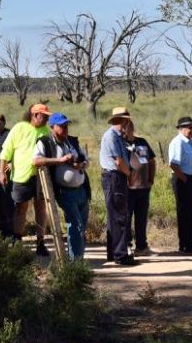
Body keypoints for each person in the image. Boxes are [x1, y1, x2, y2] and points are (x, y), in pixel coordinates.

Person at [32, 113, 91, 259]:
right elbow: (36, 161)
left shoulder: (72, 141)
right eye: (61, 126)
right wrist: (60, 160)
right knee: (76, 225)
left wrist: (80, 164)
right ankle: (75, 262)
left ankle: (77, 258)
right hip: (64, 191)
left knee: (82, 226)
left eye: (66, 126)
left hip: (81, 189)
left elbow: (86, 160)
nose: (65, 129)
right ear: (52, 127)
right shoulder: (45, 142)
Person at [0, 103, 53, 255]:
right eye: (44, 116)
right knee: (20, 208)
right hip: (21, 176)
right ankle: (17, 241)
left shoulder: (46, 132)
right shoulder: (19, 128)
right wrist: (2, 172)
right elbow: (6, 151)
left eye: (47, 117)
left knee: (41, 207)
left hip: (41, 176)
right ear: (34, 115)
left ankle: (40, 243)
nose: (46, 119)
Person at [99, 107, 137, 266]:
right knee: (119, 217)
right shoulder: (111, 136)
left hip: (116, 177)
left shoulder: (118, 137)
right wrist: (129, 175)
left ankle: (114, 253)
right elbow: (118, 161)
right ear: (122, 120)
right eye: (126, 120)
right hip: (114, 177)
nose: (128, 123)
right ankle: (120, 255)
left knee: (115, 216)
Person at [168, 116, 192, 255]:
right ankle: (184, 245)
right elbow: (173, 164)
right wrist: (185, 180)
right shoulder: (178, 142)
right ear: (180, 129)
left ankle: (190, 243)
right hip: (183, 180)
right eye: (189, 127)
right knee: (184, 213)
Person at [123, 120, 157, 257]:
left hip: (143, 186)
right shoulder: (121, 144)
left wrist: (151, 178)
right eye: (125, 126)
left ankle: (142, 247)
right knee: (126, 218)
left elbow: (151, 161)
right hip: (128, 188)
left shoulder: (142, 142)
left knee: (141, 219)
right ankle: (126, 245)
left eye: (130, 125)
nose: (128, 128)